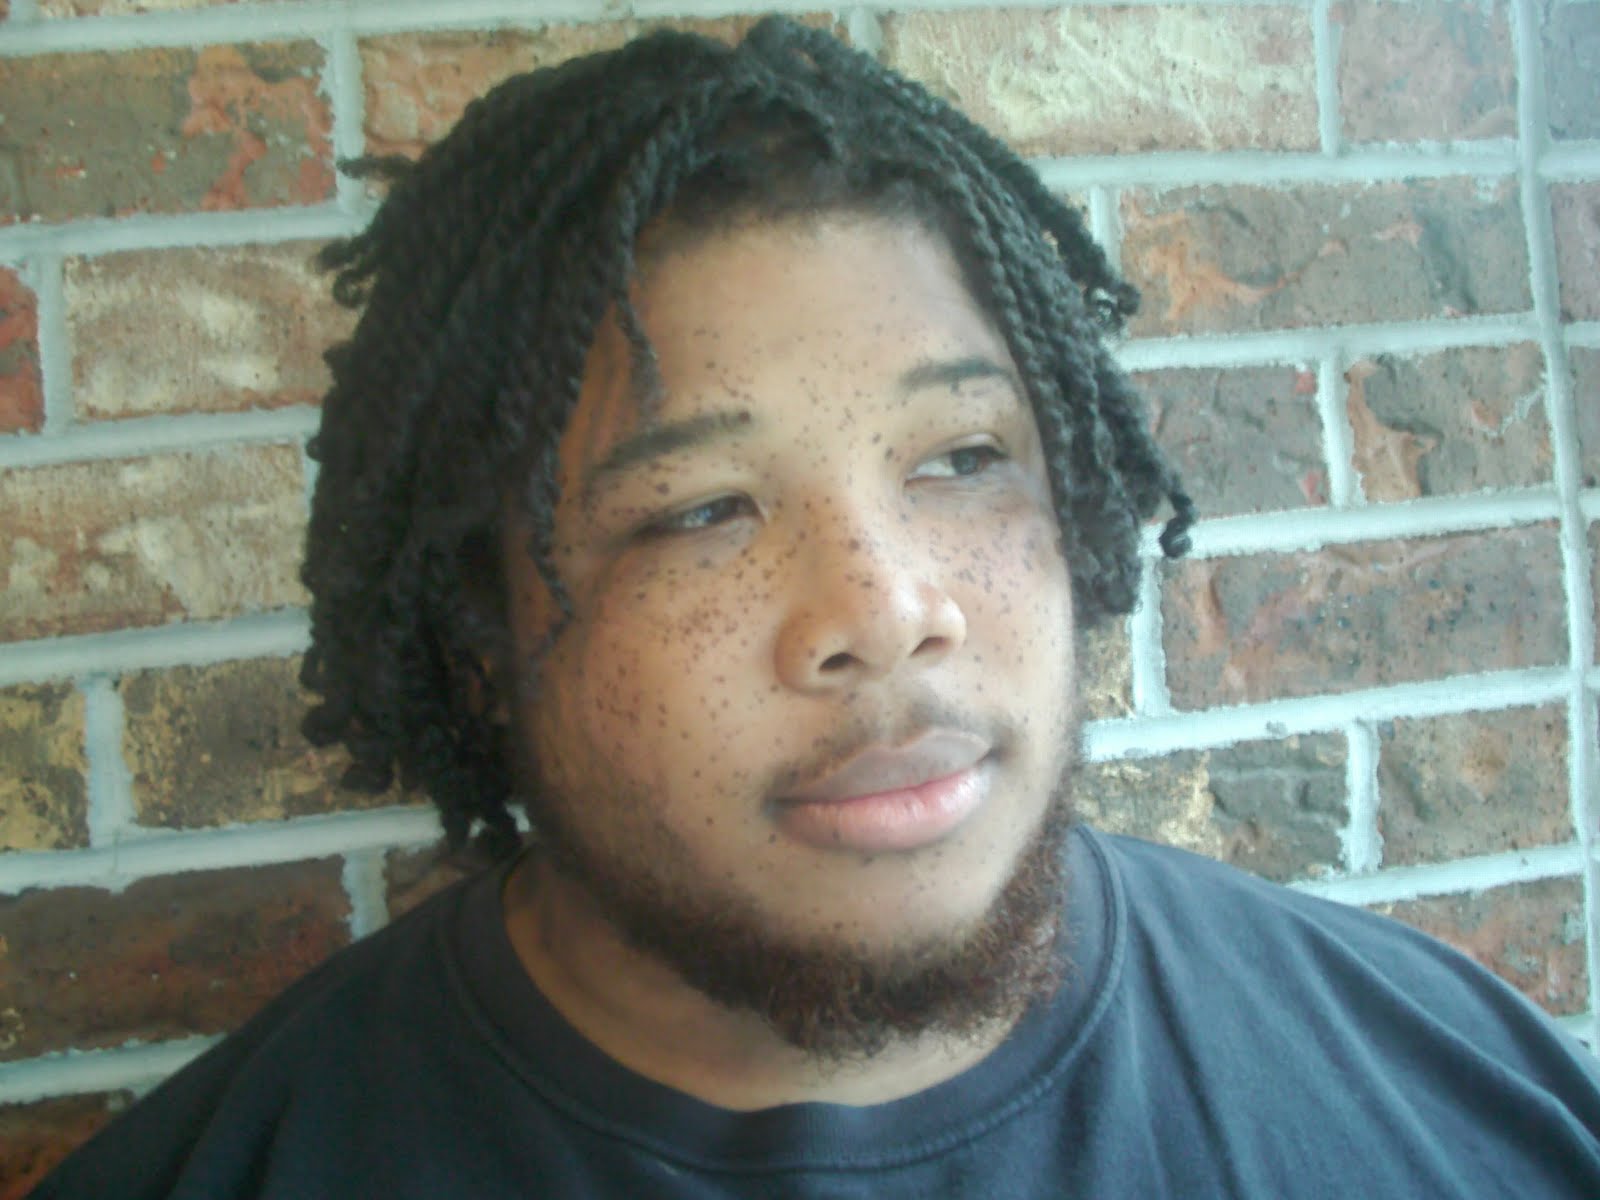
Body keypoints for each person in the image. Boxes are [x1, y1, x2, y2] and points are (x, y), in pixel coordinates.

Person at [31, 17, 1600, 1198]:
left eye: (966, 457)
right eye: (701, 510)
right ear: (481, 631)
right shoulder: (247, 1164)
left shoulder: (1461, 1097)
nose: (887, 609)